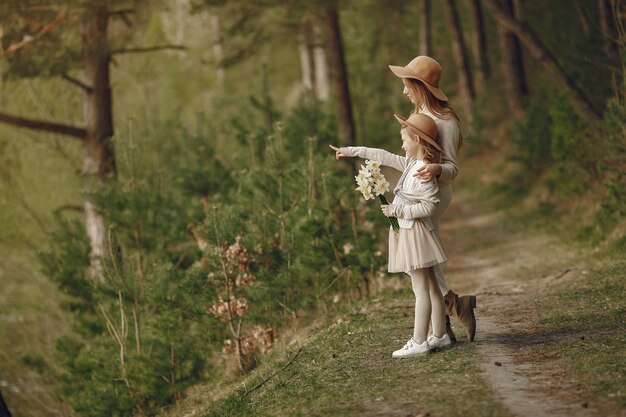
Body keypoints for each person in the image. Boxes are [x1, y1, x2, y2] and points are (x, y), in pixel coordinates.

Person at [330, 113, 452, 358]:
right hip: (413, 232)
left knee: (421, 290)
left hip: (413, 233)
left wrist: (397, 209)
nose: (402, 145)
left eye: (404, 140)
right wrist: (351, 150)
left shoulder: (421, 172)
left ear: (417, 139)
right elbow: (382, 156)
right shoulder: (412, 164)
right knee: (430, 286)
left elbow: (429, 206)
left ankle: (419, 340)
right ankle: (440, 334)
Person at [389, 55, 476, 342]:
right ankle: (450, 311)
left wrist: (437, 168)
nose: (403, 91)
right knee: (423, 262)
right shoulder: (421, 112)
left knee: (420, 260)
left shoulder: (445, 121)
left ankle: (442, 321)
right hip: (416, 195)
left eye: (407, 84)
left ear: (420, 85)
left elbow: (453, 168)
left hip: (432, 195)